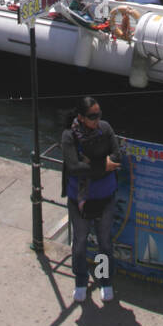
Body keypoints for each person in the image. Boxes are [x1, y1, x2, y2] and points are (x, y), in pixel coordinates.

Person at [61, 97, 121, 303]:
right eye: (92, 116)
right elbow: (73, 167)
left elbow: (117, 154)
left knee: (105, 242)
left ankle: (105, 280)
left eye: (99, 115)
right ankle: (80, 280)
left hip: (105, 196)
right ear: (80, 117)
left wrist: (90, 165)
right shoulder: (68, 136)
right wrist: (103, 166)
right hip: (79, 200)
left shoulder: (105, 129)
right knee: (79, 242)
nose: (97, 119)